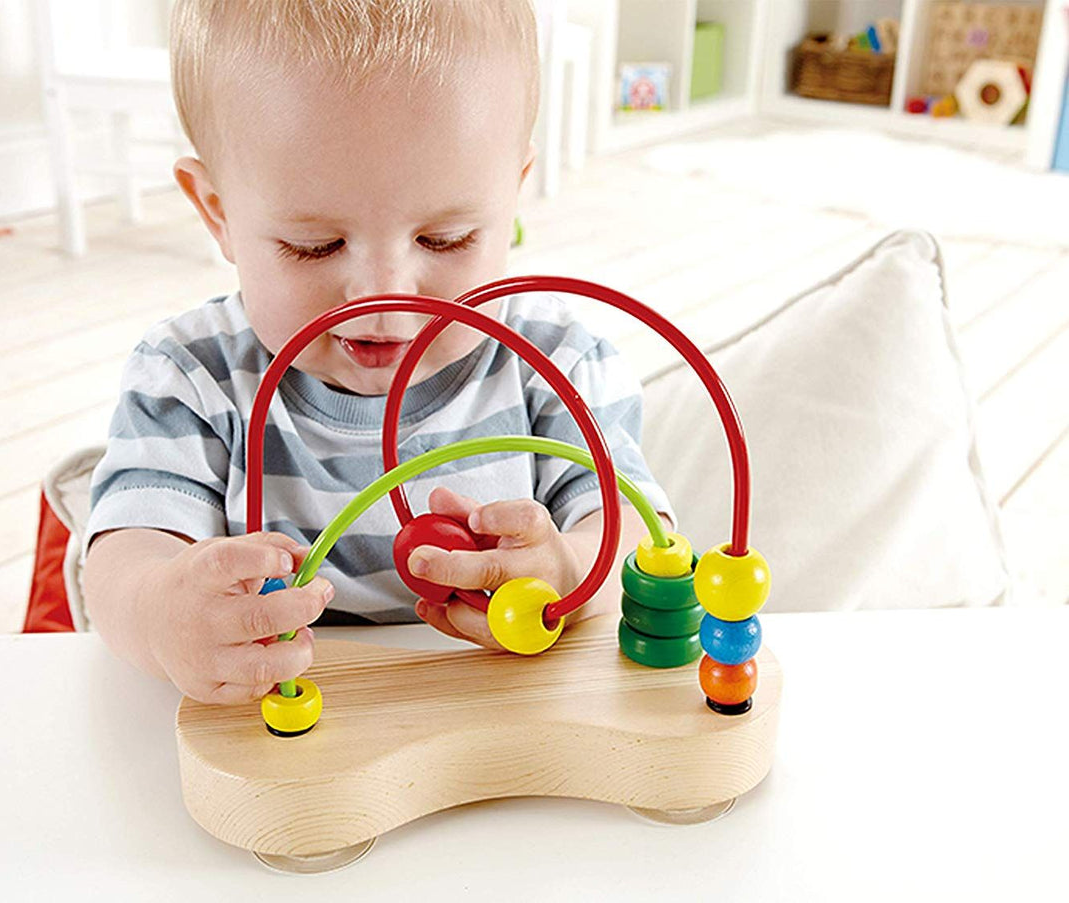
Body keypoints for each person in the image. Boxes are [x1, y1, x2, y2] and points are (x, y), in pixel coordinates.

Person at [82, 0, 674, 706]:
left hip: (502, 731)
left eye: (446, 239)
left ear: (511, 197)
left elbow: (642, 538)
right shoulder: (191, 375)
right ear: (218, 213)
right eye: (315, 246)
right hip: (290, 736)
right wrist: (161, 611)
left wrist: (572, 569)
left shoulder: (558, 364)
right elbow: (119, 563)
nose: (388, 301)